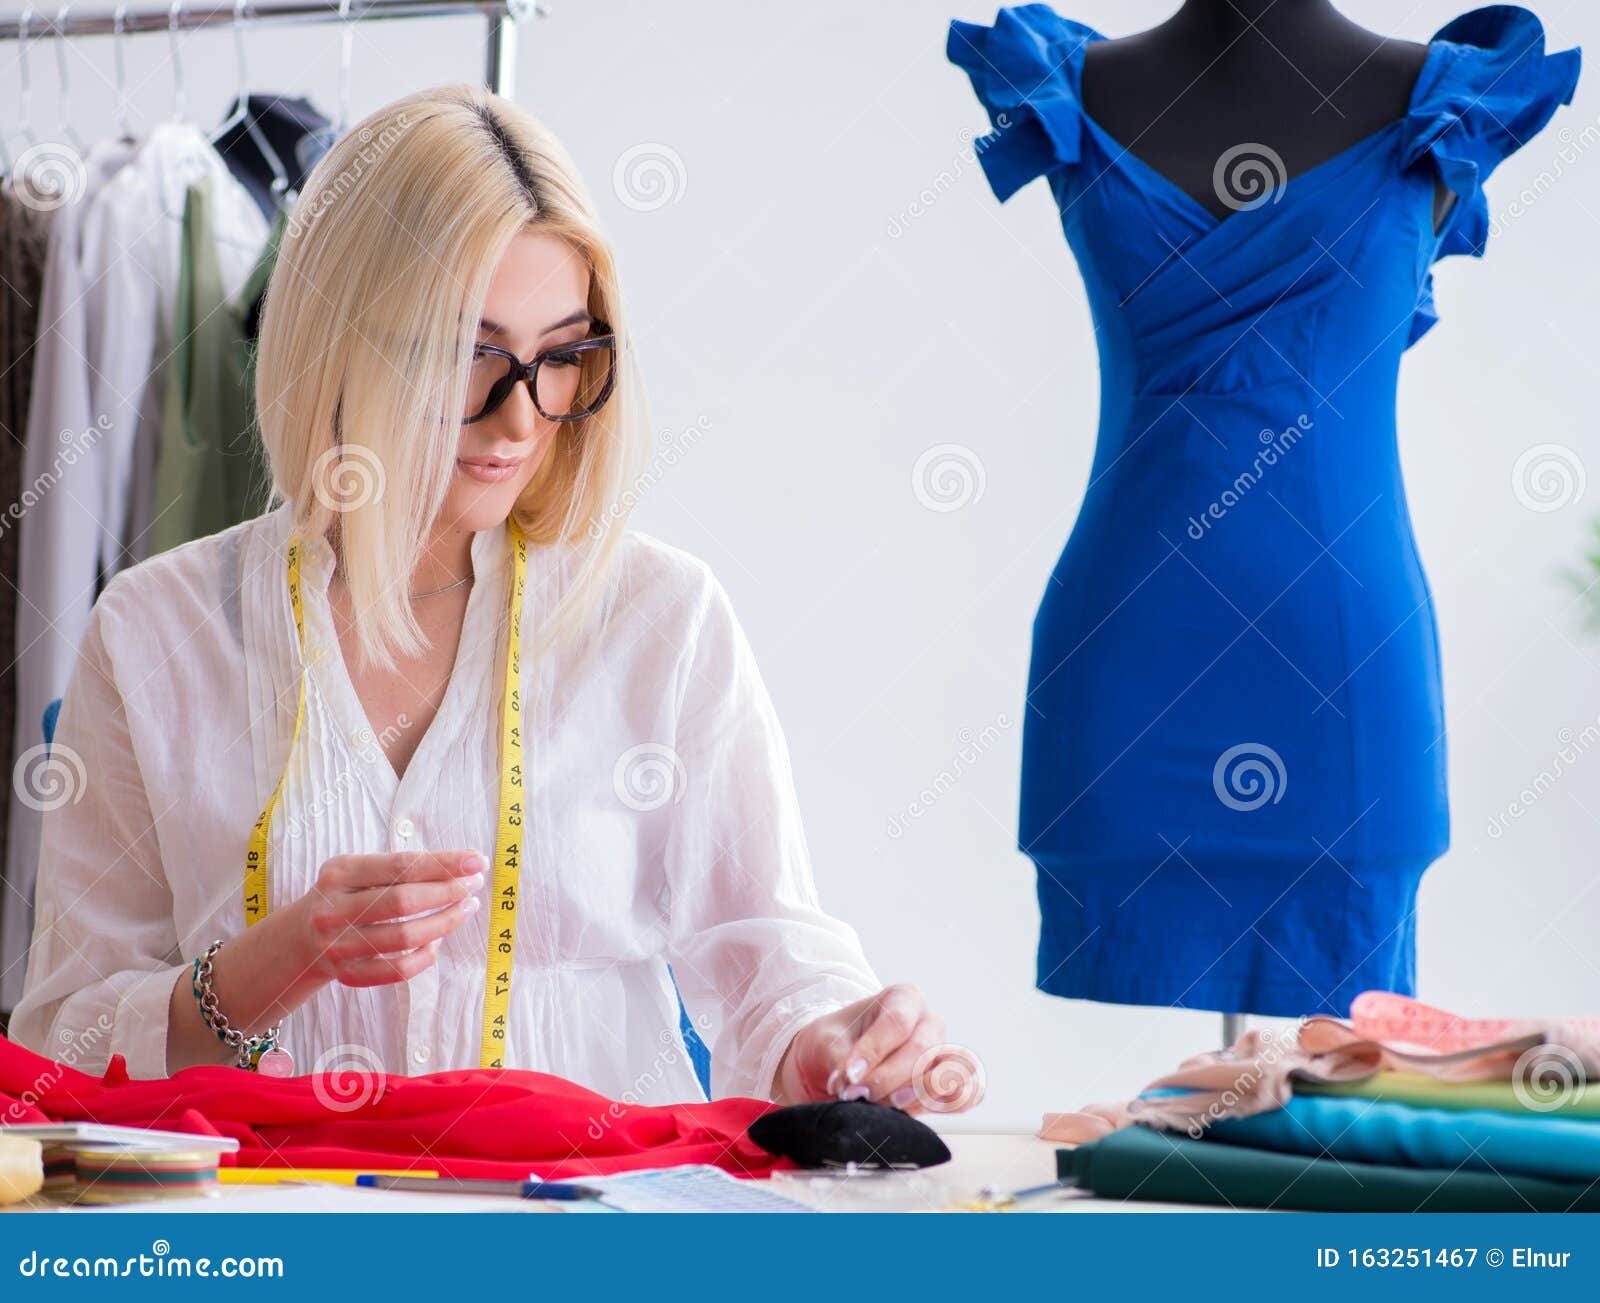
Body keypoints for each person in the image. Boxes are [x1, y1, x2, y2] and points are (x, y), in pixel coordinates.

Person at [11, 85, 974, 1113]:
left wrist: (835, 1045)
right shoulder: (158, 632)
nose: (522, 415)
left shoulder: (663, 621)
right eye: (471, 353)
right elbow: (61, 1038)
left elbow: (772, 960)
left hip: (580, 1248)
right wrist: (275, 961)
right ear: (335, 341)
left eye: (561, 356)